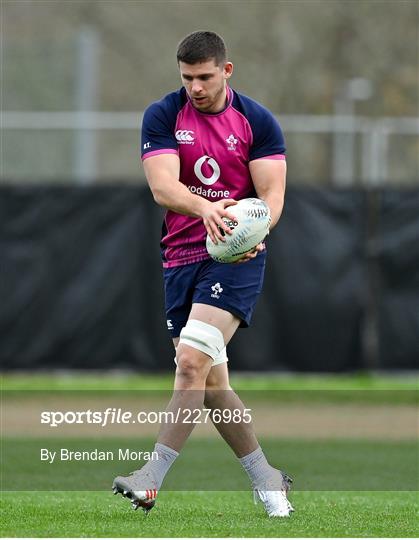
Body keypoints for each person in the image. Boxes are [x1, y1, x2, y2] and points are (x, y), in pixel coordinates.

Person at [113, 30, 293, 518]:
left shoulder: (256, 120)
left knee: (190, 363)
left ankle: (149, 479)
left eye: (205, 77)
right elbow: (163, 187)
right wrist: (209, 207)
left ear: (226, 71)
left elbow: (271, 196)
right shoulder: (164, 114)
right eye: (188, 77)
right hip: (179, 258)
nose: (195, 86)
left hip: (234, 258)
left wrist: (256, 228)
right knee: (211, 386)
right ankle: (268, 479)